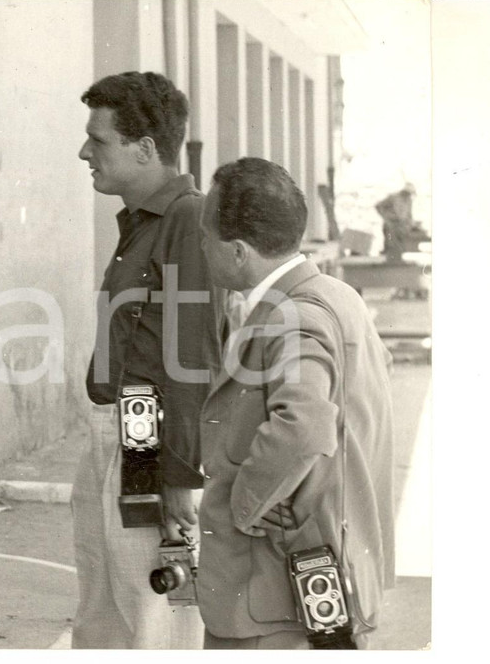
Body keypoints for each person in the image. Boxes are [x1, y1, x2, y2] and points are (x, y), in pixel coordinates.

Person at [196, 157, 396, 649]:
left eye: (206, 235)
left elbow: (305, 426)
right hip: (327, 575)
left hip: (271, 599)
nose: (200, 245)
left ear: (240, 251)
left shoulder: (291, 317)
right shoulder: (338, 295)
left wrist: (245, 502)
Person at [71, 71, 219, 649]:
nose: (86, 151)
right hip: (119, 436)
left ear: (146, 149)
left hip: (150, 444)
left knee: (159, 617)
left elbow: (193, 357)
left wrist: (180, 477)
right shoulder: (140, 222)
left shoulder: (186, 218)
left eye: (99, 140)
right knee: (104, 612)